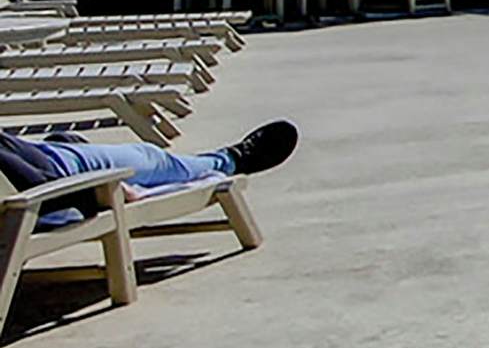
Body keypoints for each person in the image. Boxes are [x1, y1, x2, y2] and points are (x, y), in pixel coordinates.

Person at [0, 120, 297, 222]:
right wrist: (97, 191)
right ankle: (228, 160)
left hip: (48, 165)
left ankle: (224, 160)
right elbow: (36, 186)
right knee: (153, 159)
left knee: (145, 159)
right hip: (69, 173)